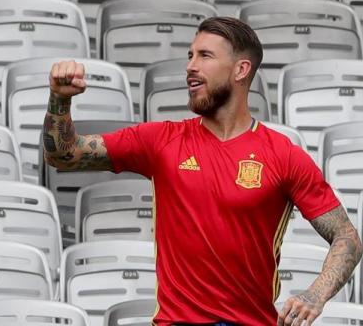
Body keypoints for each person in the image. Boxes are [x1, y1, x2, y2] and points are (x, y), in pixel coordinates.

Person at [43, 17, 362, 325]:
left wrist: (315, 295)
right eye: (190, 56)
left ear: (241, 69)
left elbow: (347, 237)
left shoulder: (284, 155)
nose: (190, 66)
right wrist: (60, 99)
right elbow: (64, 155)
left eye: (205, 56)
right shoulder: (161, 140)